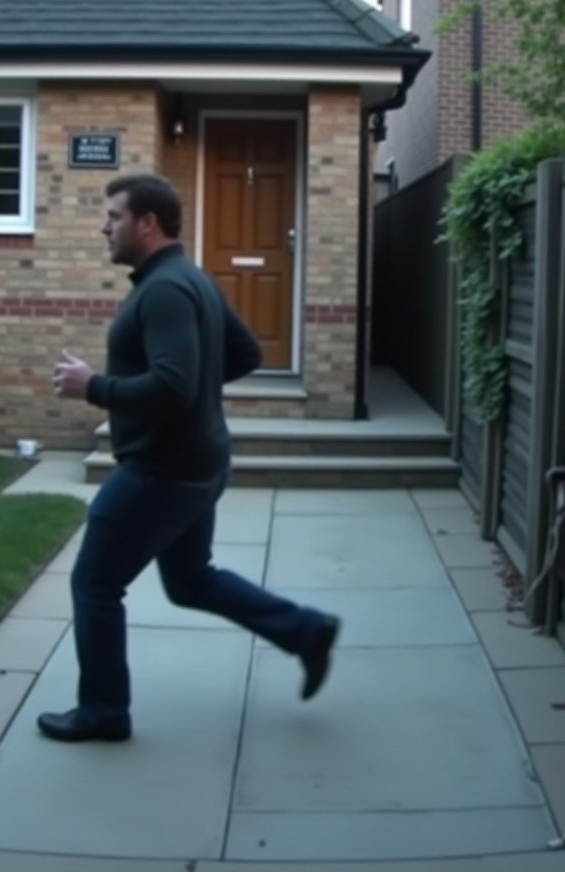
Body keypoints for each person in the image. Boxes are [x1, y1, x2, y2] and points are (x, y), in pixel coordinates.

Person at [38, 173, 341, 743]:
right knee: (190, 579)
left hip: (161, 468)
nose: (104, 226)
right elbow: (244, 353)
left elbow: (174, 386)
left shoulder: (165, 290)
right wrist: (196, 385)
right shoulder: (190, 278)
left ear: (147, 223)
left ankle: (103, 712)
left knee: (95, 584)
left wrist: (94, 386)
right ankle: (305, 630)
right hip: (196, 461)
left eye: (114, 216)